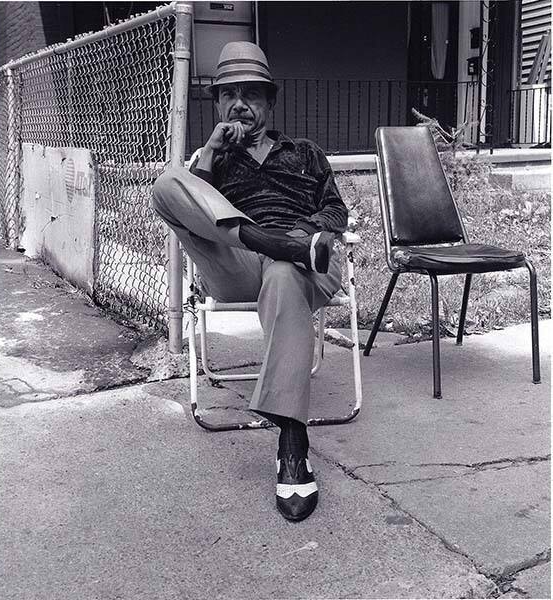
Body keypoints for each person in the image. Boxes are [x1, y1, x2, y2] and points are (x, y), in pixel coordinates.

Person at [152, 42, 348, 522]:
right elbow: (187, 205)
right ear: (218, 105)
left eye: (251, 94)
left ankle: (292, 444)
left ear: (269, 101)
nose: (239, 103)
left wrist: (302, 233)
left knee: (282, 271)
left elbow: (336, 211)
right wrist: (212, 150)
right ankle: (273, 244)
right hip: (237, 266)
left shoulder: (304, 152)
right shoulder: (212, 159)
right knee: (165, 184)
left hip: (306, 264)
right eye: (228, 95)